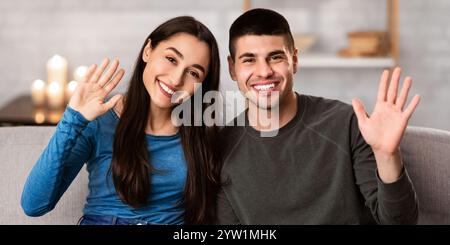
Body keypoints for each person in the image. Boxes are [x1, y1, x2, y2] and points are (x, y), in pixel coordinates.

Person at [216, 8, 420, 224]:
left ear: (294, 60)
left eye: (275, 57)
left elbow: (401, 222)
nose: (264, 71)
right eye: (249, 60)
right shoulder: (221, 147)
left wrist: (387, 155)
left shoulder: (346, 123)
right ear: (232, 68)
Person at [21, 16, 221, 225]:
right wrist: (72, 119)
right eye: (171, 59)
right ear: (148, 50)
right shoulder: (99, 120)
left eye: (193, 73)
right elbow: (34, 205)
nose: (176, 79)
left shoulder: (202, 134)